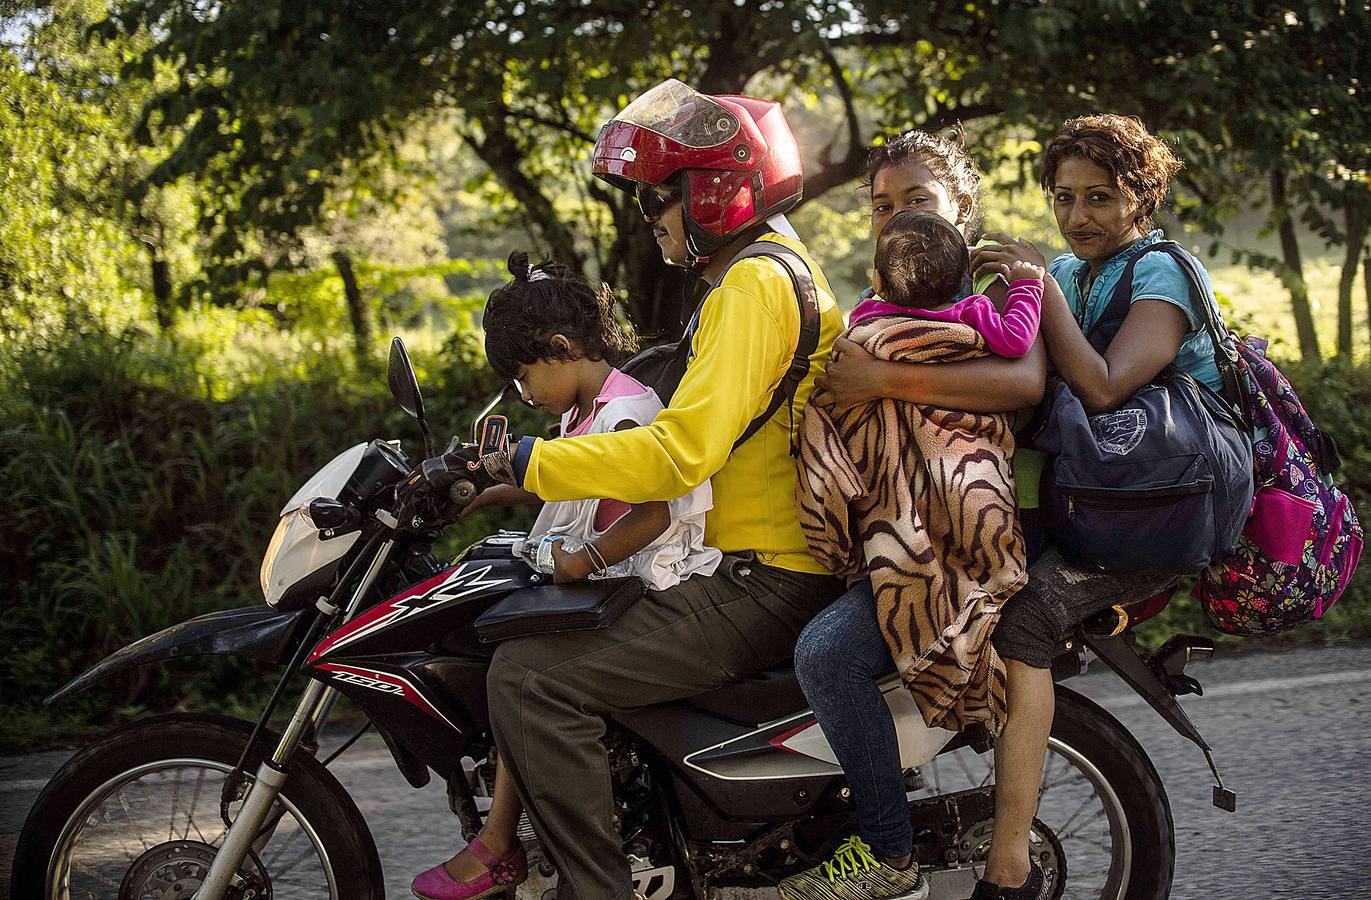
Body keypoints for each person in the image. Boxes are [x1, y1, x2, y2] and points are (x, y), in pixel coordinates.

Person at [401, 78, 846, 899]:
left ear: (715, 190)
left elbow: (677, 455)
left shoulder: (754, 285)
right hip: (740, 561)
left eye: (658, 201)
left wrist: (521, 464)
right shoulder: (758, 276)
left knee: (531, 678)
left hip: (760, 574)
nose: (651, 221)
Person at [961, 113, 1225, 900]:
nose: (1078, 216)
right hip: (1091, 495)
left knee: (1025, 619)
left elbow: (1105, 383)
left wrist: (1036, 287)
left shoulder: (1162, 273)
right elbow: (1026, 388)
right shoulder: (1072, 276)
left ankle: (1006, 865)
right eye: (1064, 197)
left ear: (1141, 197)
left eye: (1100, 197)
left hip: (1163, 508)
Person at [782, 131, 1047, 900]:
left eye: (919, 201)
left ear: (963, 209)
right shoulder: (874, 307)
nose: (897, 217)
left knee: (824, 656)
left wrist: (879, 379)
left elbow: (1019, 381)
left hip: (960, 542)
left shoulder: (994, 294)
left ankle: (885, 852)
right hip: (897, 530)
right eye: (881, 206)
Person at [411, 250, 722, 899]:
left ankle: (505, 843)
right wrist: (481, 492)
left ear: (559, 347)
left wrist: (590, 557)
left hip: (646, 581)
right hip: (612, 580)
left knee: (523, 671)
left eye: (524, 378)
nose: (523, 395)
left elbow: (652, 510)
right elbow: (569, 470)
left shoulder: (628, 409)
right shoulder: (584, 411)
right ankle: (503, 836)